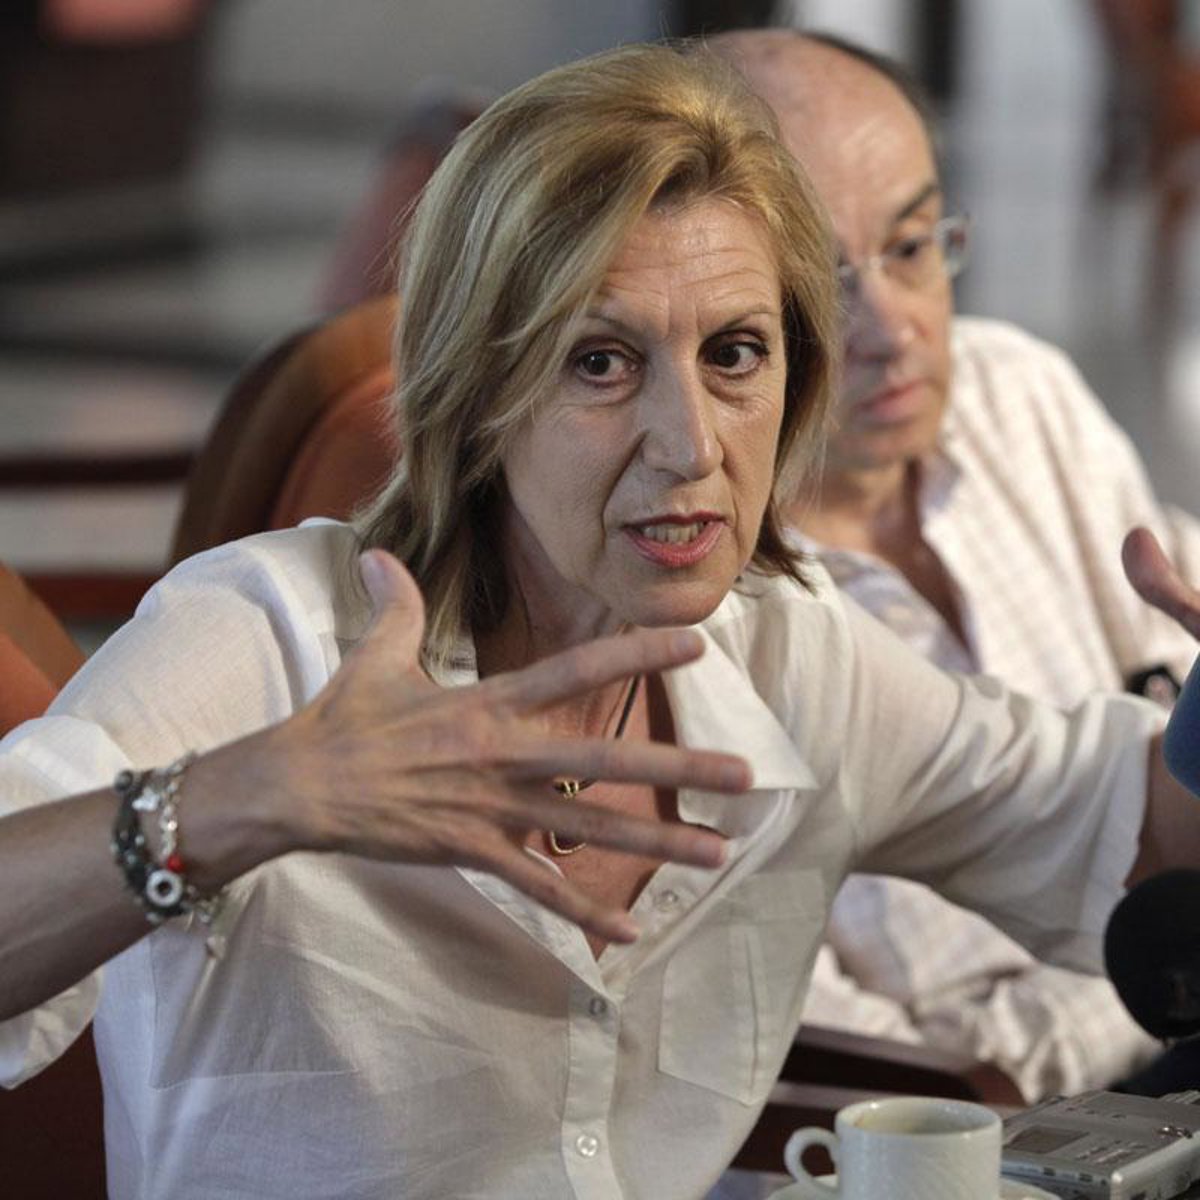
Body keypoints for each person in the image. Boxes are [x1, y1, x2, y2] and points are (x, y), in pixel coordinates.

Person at [0, 41, 1198, 1200]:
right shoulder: (266, 639)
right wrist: (248, 798)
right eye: (601, 363)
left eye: (736, 354)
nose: (691, 446)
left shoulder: (789, 648)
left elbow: (1130, 830)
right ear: (476, 393)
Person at [711, 27, 1200, 1101]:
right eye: (818, 283)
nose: (893, 331)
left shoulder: (1018, 396)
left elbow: (1160, 751)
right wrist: (1159, 982)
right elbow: (885, 1094)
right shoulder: (705, 612)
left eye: (912, 247)